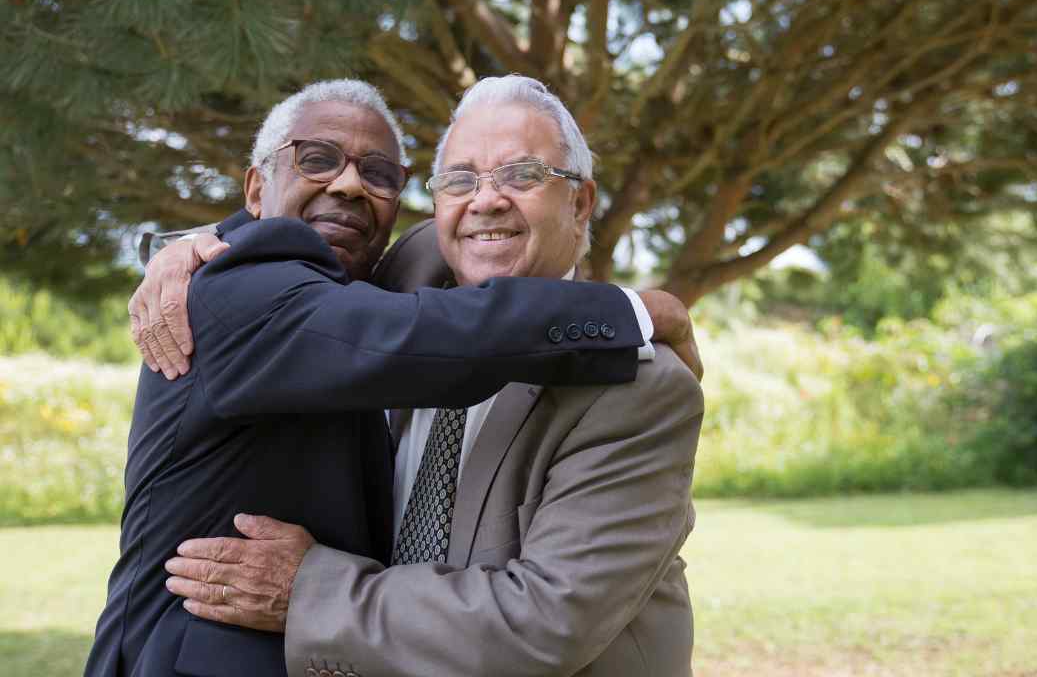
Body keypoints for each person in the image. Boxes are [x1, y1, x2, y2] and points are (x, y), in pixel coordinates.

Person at [87, 78, 696, 677]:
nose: (485, 200)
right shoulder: (256, 293)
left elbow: (545, 622)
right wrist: (197, 245)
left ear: (581, 203)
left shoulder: (641, 388)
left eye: (522, 174)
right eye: (460, 179)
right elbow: (433, 328)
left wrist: (311, 590)